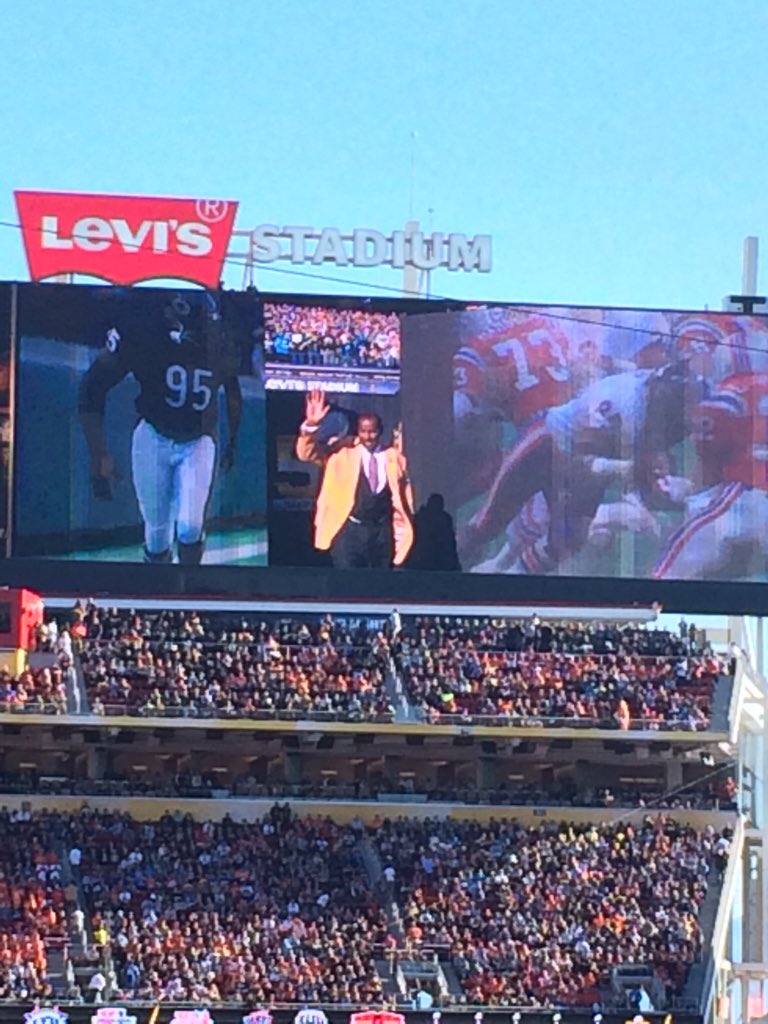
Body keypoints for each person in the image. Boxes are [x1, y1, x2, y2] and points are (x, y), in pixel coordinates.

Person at [79, 290, 243, 565]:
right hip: (153, 434)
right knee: (156, 532)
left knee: (190, 525)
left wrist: (233, 440)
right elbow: (92, 388)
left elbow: (233, 392)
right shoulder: (142, 332)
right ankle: (160, 595)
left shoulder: (219, 342)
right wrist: (99, 453)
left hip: (198, 439)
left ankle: (189, 594)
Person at [296, 389, 413, 568]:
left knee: (381, 585)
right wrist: (311, 425)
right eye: (363, 431)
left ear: (380, 431)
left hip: (381, 531)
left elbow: (405, 495)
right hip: (348, 530)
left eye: (372, 432)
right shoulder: (341, 454)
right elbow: (306, 454)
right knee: (347, 584)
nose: (368, 437)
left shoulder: (393, 457)